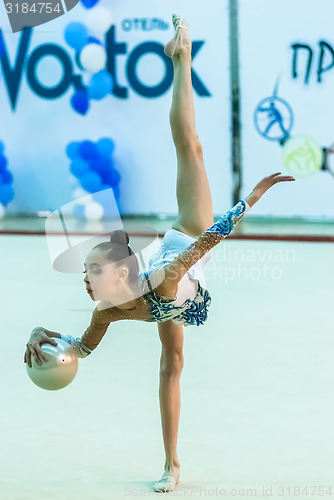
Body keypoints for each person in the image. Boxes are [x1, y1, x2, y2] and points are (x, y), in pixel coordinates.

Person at [24, 14, 295, 493]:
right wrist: (39, 336)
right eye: (88, 276)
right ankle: (173, 464)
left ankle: (181, 54)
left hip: (188, 241)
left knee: (189, 146)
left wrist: (252, 197)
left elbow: (211, 236)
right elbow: (78, 351)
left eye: (92, 274)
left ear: (117, 277)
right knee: (170, 365)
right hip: (171, 297)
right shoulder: (105, 312)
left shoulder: (162, 276)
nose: (86, 284)